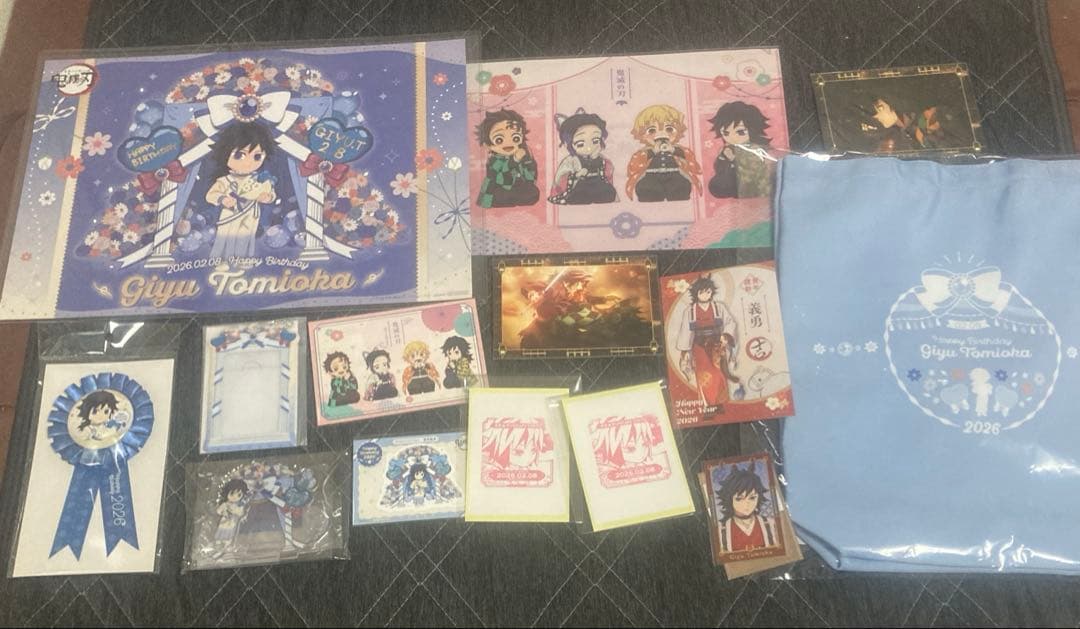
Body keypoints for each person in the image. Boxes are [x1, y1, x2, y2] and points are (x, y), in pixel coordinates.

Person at [205, 122, 278, 260]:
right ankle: (221, 260)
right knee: (226, 237)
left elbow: (271, 193)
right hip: (230, 213)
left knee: (246, 237)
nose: (248, 162)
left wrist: (267, 197)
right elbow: (210, 195)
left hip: (251, 214)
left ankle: (243, 259)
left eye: (257, 156)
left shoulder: (260, 180)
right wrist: (223, 199)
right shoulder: (225, 180)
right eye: (239, 155)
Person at [673, 275, 741, 411]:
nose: (705, 295)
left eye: (708, 292)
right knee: (703, 376)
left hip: (717, 345)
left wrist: (725, 336)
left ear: (712, 293)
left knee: (719, 373)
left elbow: (730, 322)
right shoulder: (690, 311)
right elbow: (686, 331)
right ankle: (708, 406)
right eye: (702, 292)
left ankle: (721, 404)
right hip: (699, 346)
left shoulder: (719, 307)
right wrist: (685, 351)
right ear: (696, 293)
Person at [625, 104, 702, 202]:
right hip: (651, 177)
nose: (661, 134)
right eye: (651, 130)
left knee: (681, 187)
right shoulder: (643, 153)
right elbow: (634, 167)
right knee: (646, 189)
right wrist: (653, 152)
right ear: (641, 134)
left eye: (669, 129)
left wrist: (674, 151)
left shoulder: (679, 149)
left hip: (674, 175)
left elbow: (691, 162)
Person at [548, 108, 617, 205]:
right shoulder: (571, 161)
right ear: (568, 144)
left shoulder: (602, 159)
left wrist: (599, 161)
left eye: (595, 141)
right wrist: (576, 175)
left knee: (608, 193)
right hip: (581, 185)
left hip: (598, 184)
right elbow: (560, 178)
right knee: (579, 196)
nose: (589, 148)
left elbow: (608, 173)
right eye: (580, 144)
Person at [475, 109, 540, 208]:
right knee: (502, 195)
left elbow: (529, 174)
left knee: (533, 193)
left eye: (515, 138)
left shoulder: (522, 154)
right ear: (487, 145)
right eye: (499, 140)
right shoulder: (494, 159)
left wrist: (529, 162)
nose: (509, 143)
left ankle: (515, 199)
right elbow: (501, 171)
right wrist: (515, 159)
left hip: (516, 187)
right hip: (498, 188)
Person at [707, 101, 772, 198]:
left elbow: (752, 171)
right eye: (726, 133)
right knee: (715, 184)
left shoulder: (754, 149)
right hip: (734, 181)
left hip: (751, 182)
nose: (732, 138)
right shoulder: (728, 147)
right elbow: (718, 169)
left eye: (740, 132)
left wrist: (733, 159)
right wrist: (723, 158)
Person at [714, 465, 779, 553]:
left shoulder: (771, 524)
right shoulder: (721, 530)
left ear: (759, 498)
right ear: (729, 500)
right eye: (739, 499)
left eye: (752, 498)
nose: (746, 504)